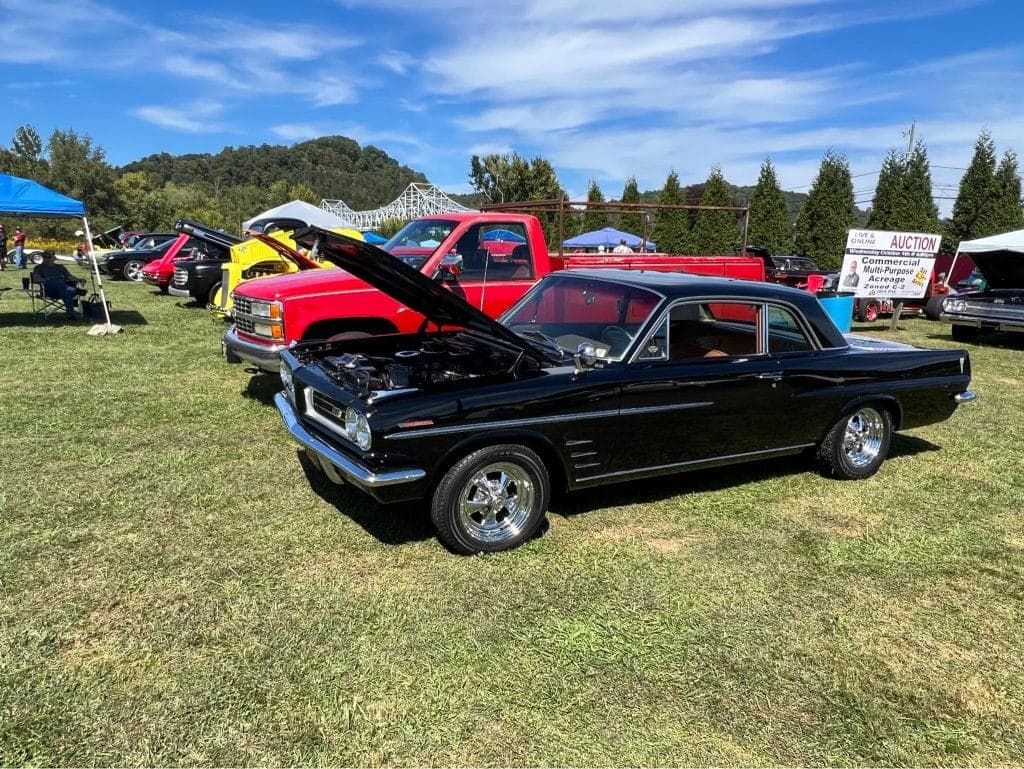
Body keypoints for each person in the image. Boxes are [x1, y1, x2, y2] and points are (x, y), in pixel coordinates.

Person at [31, 250, 82, 318]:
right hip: (49, 290)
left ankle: (70, 314)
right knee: (56, 281)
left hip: (62, 291)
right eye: (44, 257)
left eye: (49, 257)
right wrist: (47, 280)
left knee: (65, 291)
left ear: (54, 258)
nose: (46, 259)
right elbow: (36, 279)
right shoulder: (38, 268)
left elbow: (69, 277)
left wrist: (79, 280)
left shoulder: (60, 267)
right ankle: (73, 290)